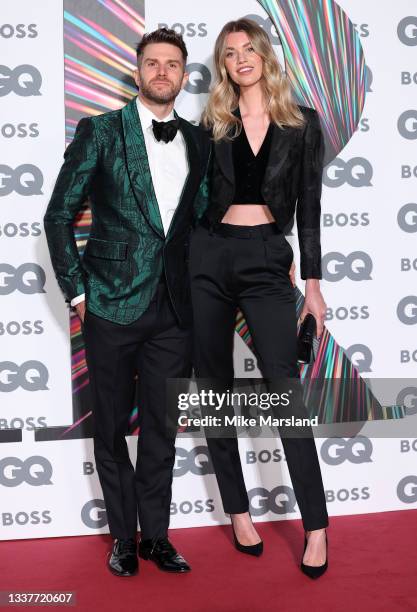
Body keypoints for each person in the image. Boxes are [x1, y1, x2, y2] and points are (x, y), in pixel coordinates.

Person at [44, 28, 210, 577]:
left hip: (175, 309)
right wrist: (77, 292)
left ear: (184, 75)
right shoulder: (101, 131)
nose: (162, 72)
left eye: (172, 64)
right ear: (137, 71)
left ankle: (157, 537)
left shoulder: (199, 140)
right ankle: (121, 537)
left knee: (163, 429)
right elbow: (58, 215)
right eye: (152, 63)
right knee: (112, 428)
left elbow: (202, 223)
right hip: (109, 305)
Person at [189, 18, 329, 579]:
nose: (240, 58)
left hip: (268, 257)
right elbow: (192, 200)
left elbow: (311, 208)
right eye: (230, 53)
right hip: (208, 256)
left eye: (249, 49)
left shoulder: (302, 124)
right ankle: (239, 511)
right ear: (223, 66)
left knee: (283, 392)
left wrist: (312, 287)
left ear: (265, 56)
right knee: (214, 390)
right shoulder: (212, 123)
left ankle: (316, 527)